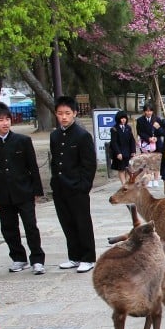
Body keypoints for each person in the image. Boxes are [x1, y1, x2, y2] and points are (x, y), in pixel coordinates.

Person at [0, 102, 46, 275]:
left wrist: (36, 190)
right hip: (3, 194)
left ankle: (37, 259)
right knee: (8, 228)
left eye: (7, 119)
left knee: (31, 226)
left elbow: (32, 167)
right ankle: (18, 258)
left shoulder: (22, 141)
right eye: (0, 120)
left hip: (24, 191)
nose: (5, 123)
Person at [49, 95, 98, 273]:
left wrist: (84, 186)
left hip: (77, 187)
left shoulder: (82, 135)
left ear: (75, 114)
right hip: (60, 187)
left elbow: (89, 164)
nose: (64, 117)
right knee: (67, 222)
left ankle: (88, 257)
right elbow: (55, 161)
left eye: (67, 113)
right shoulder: (54, 135)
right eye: (60, 113)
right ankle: (74, 256)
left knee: (82, 222)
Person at [109, 110, 137, 185]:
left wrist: (133, 151)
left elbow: (132, 140)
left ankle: (127, 183)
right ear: (118, 119)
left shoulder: (128, 128)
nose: (123, 120)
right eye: (121, 118)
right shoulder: (114, 129)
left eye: (124, 118)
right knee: (121, 169)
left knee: (128, 168)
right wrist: (118, 153)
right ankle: (123, 184)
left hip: (128, 152)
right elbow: (113, 142)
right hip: (119, 152)